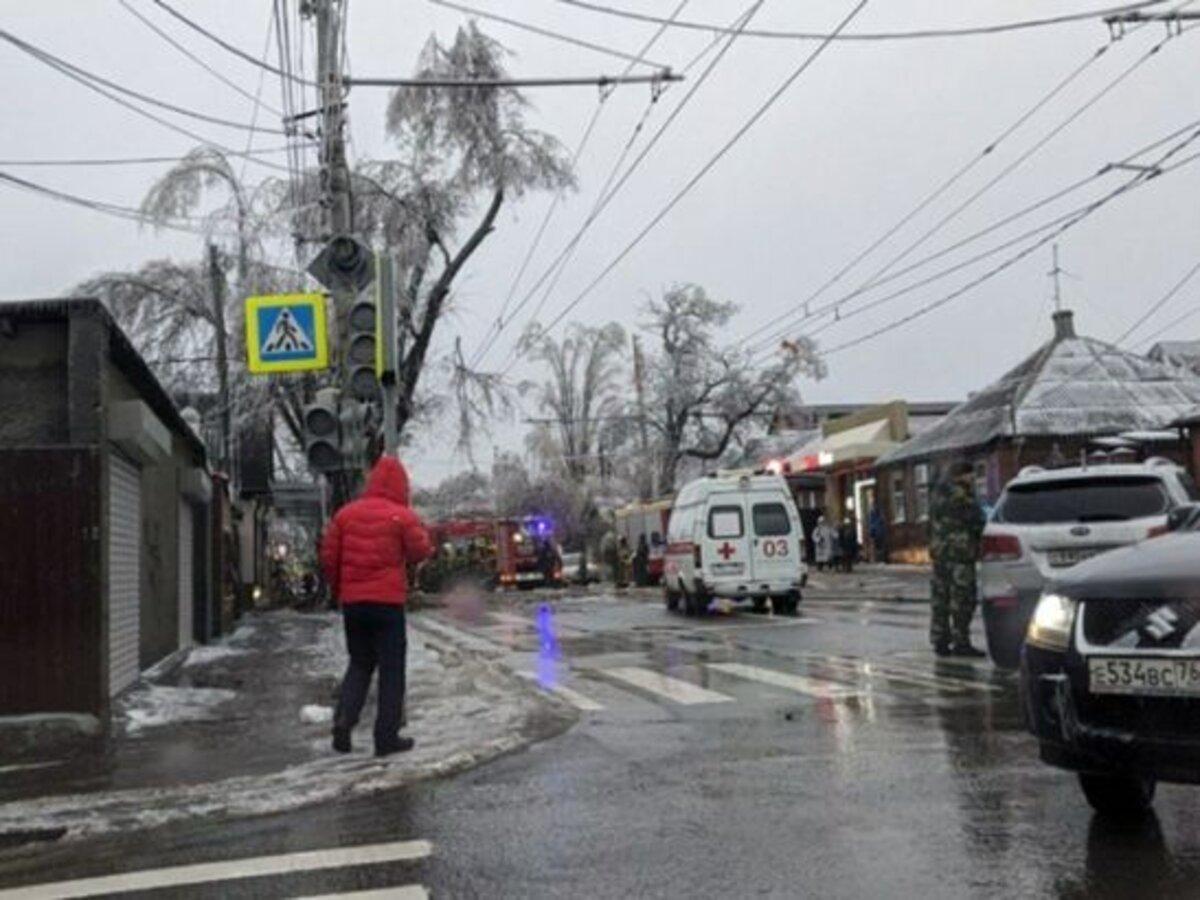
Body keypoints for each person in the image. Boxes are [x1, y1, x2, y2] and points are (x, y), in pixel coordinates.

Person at [320, 455, 433, 757]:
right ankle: (386, 737)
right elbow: (421, 550)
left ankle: (344, 720)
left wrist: (341, 588)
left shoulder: (345, 515)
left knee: (359, 663)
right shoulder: (402, 516)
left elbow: (329, 558)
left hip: (354, 604)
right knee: (391, 670)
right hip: (388, 605)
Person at [928, 461, 986, 658]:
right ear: (962, 475)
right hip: (960, 553)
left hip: (940, 554)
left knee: (940, 599)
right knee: (963, 599)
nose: (973, 480)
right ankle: (961, 642)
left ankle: (940, 640)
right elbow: (977, 521)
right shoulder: (962, 495)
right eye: (971, 476)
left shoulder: (937, 494)